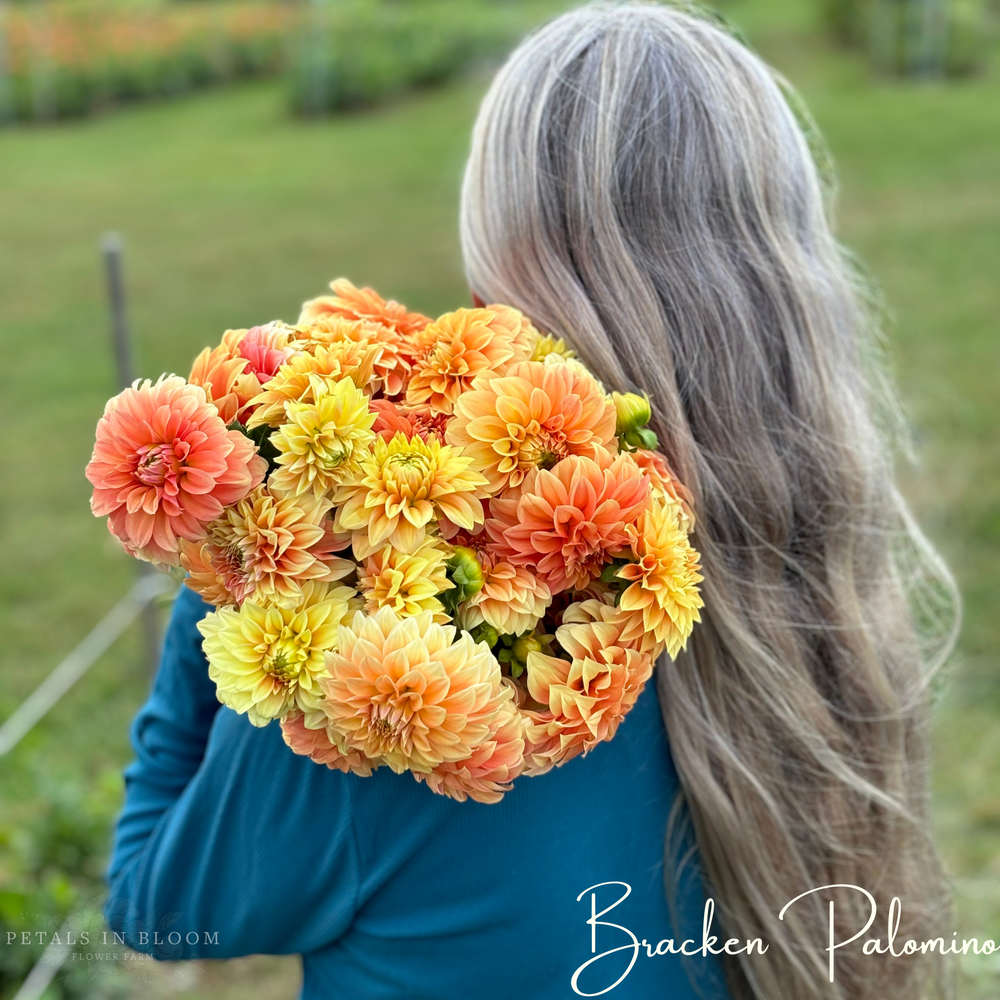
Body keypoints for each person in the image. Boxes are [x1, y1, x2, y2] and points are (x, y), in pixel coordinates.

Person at [105, 4, 959, 999]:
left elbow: (162, 906)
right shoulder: (812, 588)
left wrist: (232, 562)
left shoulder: (394, 674)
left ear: (501, 240)